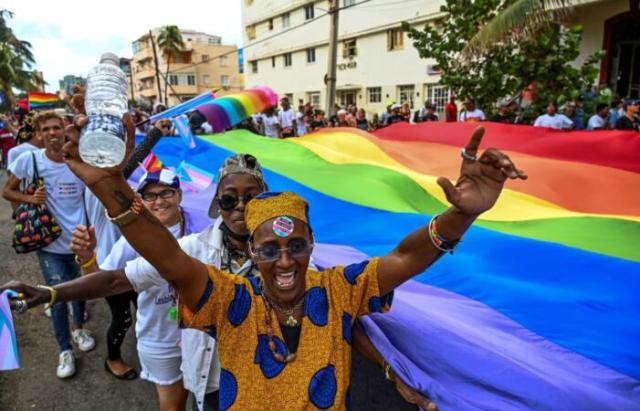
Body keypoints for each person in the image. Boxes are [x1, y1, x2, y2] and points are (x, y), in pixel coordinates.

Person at [27, 114, 522, 408]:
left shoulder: (338, 288)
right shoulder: (224, 295)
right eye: (269, 250)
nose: (283, 261)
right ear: (252, 252)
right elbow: (162, 253)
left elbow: (405, 255)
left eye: (295, 247)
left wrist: (460, 216)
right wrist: (105, 184)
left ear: (312, 245)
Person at [5, 150, 436, 411]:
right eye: (229, 199)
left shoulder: (296, 256)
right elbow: (120, 279)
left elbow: (341, 319)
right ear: (217, 203)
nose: (240, 208)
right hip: (212, 382)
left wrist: (387, 370)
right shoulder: (192, 252)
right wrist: (50, 292)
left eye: (251, 198)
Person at [74, 167, 192, 410]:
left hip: (200, 333)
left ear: (179, 195)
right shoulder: (133, 236)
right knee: (173, 405)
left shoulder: (199, 226)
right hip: (160, 337)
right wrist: (87, 259)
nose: (159, 200)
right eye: (150, 196)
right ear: (141, 201)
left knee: (204, 396)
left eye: (166, 192)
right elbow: (101, 282)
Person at [2, 111, 94, 379]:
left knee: (80, 290)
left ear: (64, 130)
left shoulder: (77, 161)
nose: (53, 133)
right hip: (49, 243)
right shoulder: (29, 160)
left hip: (79, 242)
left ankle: (78, 328)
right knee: (54, 297)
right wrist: (31, 199)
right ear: (40, 135)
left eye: (57, 128)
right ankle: (64, 350)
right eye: (47, 130)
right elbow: (7, 191)